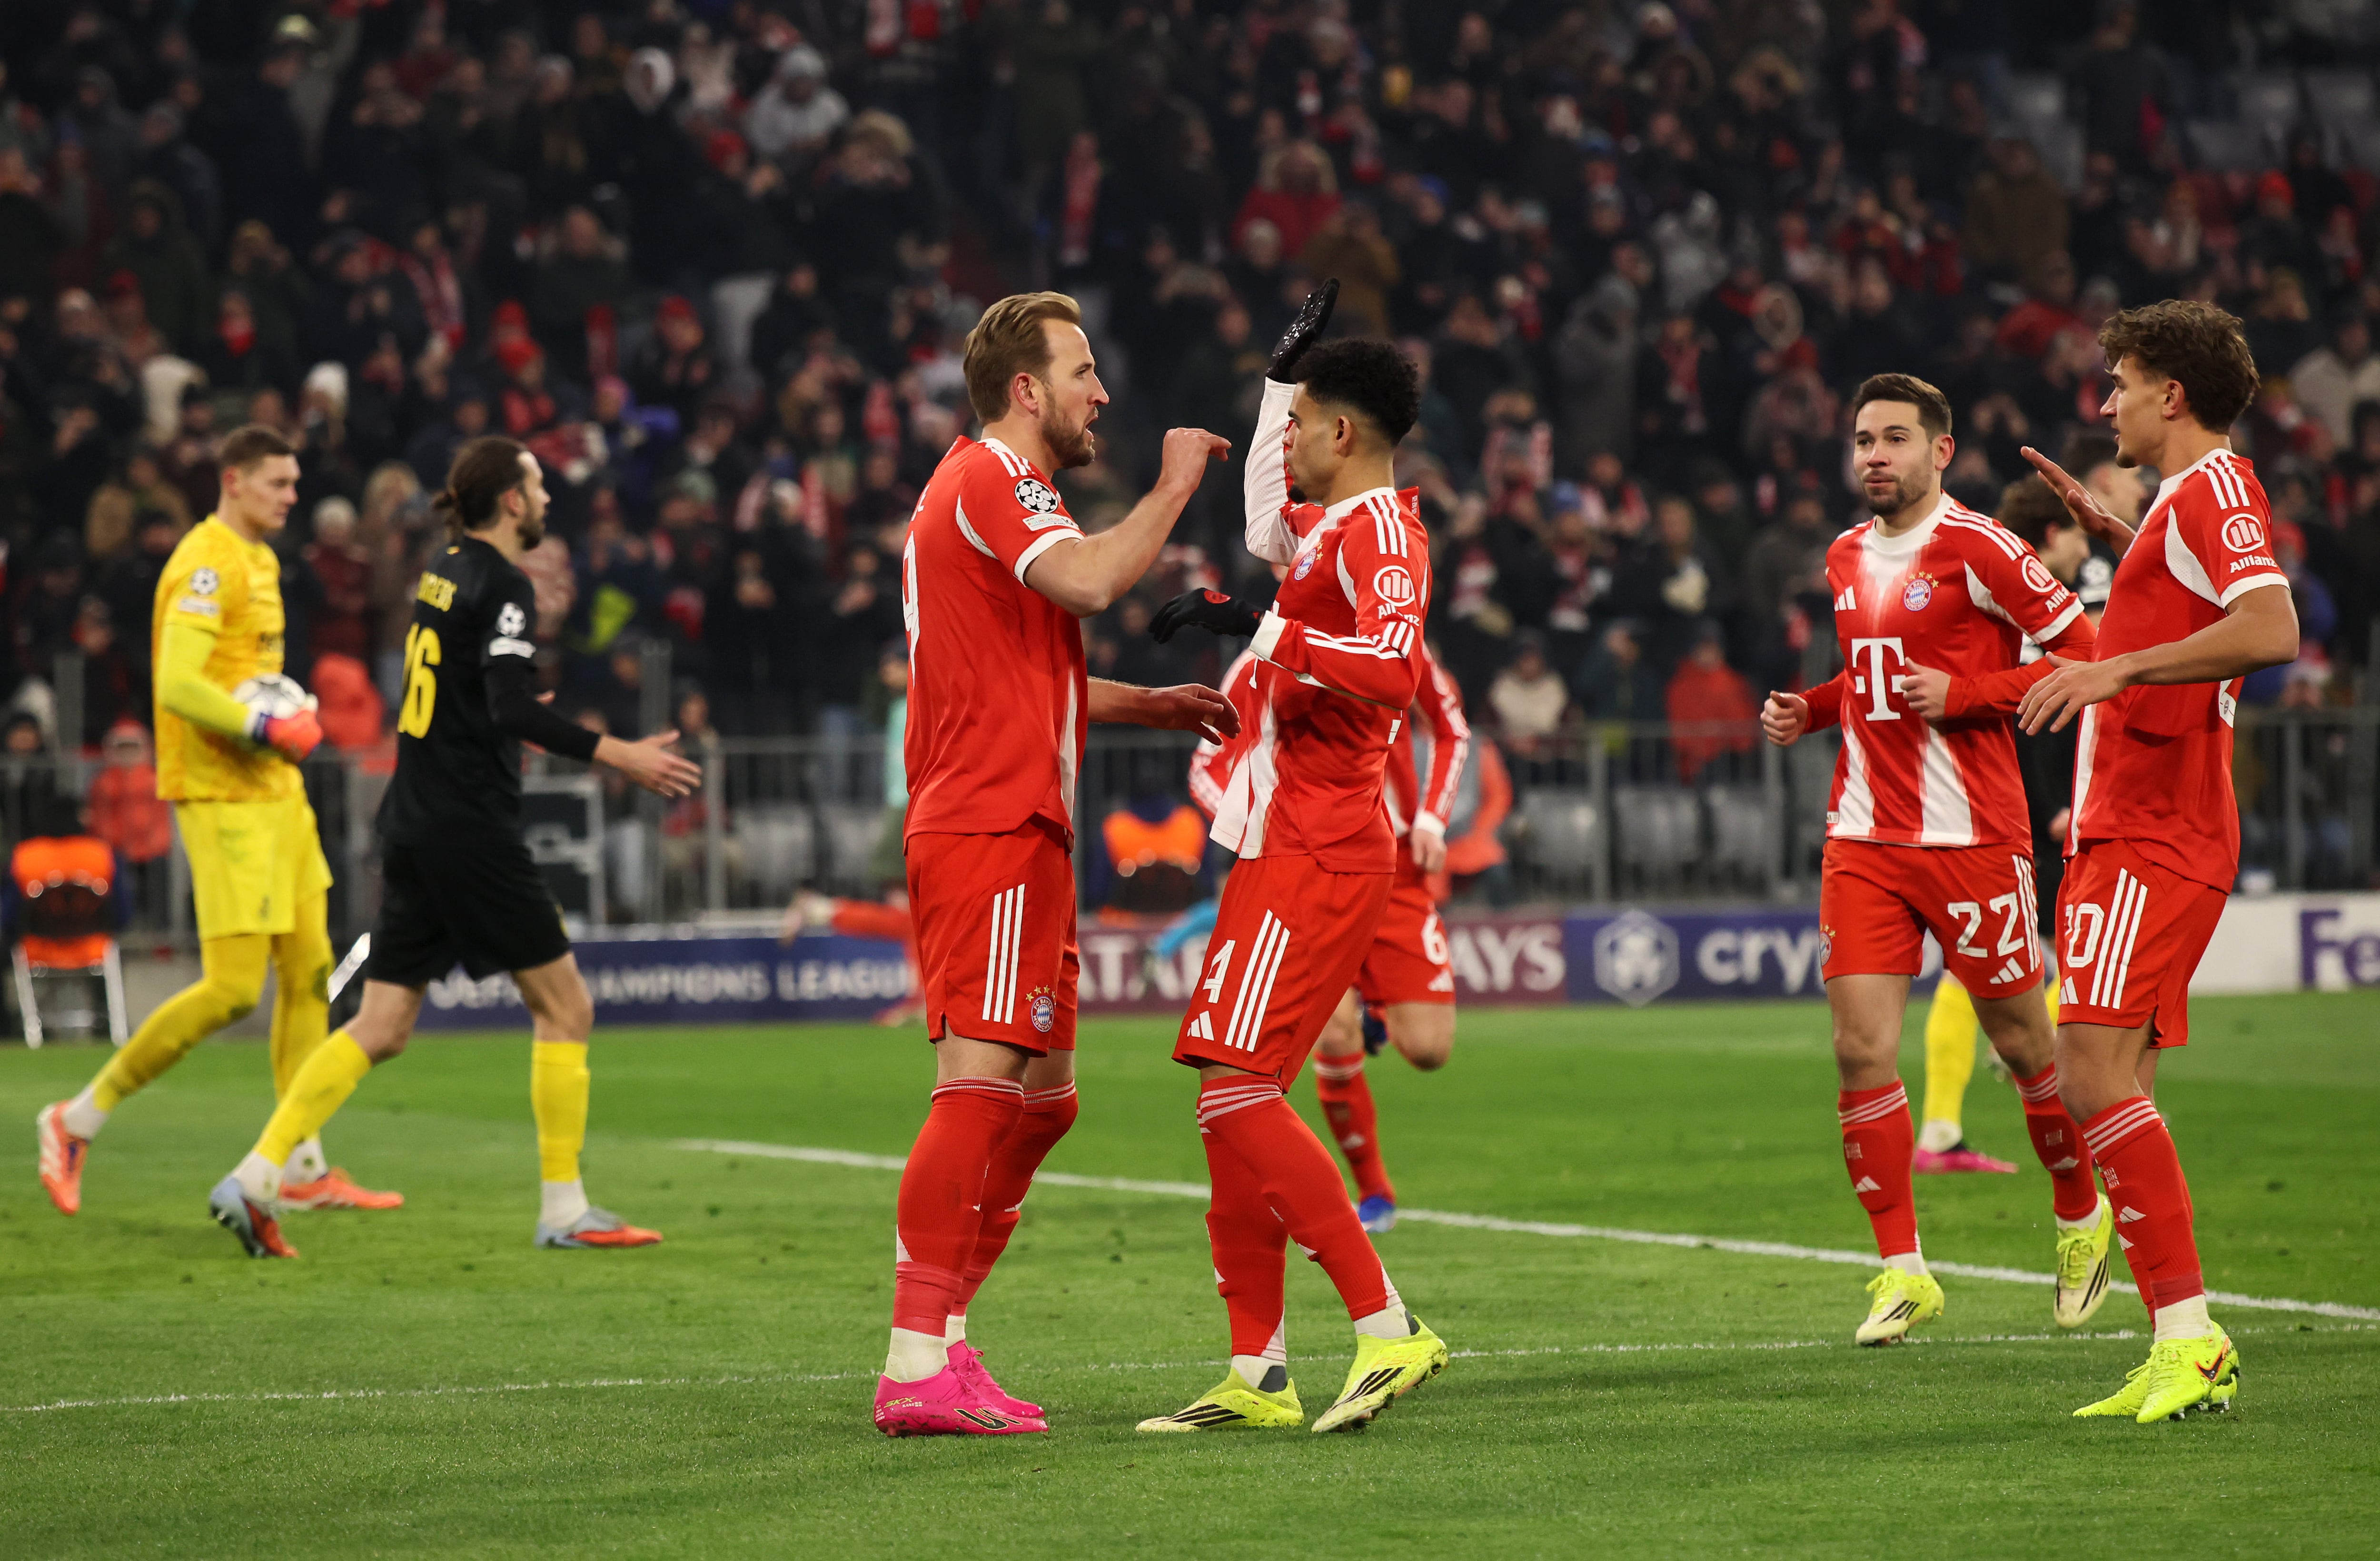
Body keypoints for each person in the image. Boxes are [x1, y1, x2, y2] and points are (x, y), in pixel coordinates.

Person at [874, 291, 1238, 1438]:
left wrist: (1149, 705)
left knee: (1043, 1100)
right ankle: (914, 1358)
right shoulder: (995, 473)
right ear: (1026, 389)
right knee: (980, 1085)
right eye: (1083, 372)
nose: (1102, 392)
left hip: (1024, 822)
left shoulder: (986, 490)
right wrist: (1173, 486)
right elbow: (1086, 581)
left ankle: (948, 1335)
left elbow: (1025, 671)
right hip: (985, 819)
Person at [200, 437, 704, 1259]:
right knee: (566, 1008)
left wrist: (506, 703)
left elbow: (469, 694)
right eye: (538, 485)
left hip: (414, 819)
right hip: (470, 829)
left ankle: (255, 1177)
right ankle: (565, 1208)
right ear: (512, 500)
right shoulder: (503, 583)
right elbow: (507, 706)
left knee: (383, 1023)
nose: (548, 499)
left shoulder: (444, 569)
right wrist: (618, 753)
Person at [1138, 287, 1451, 1436]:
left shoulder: (1384, 535)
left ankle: (1387, 1324)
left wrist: (1258, 627)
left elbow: (1395, 671)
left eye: (1303, 423)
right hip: (1283, 840)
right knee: (1227, 1105)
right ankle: (1257, 1371)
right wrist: (1278, 381)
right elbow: (1269, 517)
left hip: (1322, 846)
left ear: (1345, 433)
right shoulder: (1330, 529)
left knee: (1238, 1092)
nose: (1288, 442)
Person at [1759, 375, 2111, 1347]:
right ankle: (1903, 1272)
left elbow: (2086, 652)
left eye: (1895, 439)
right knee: (1858, 1050)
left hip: (1973, 839)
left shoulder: (1983, 548)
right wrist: (1811, 709)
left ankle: (2081, 1215)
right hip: (1863, 836)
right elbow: (1871, 680)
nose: (1874, 455)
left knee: (2028, 1049)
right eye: (1863, 440)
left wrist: (1968, 694)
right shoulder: (1842, 555)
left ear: (1940, 451)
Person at [2015, 301, 2299, 1422]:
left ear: (2169, 395)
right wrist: (2122, 534)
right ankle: (2177, 1338)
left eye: (2120, 383)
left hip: (2153, 827)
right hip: (2136, 824)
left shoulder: (2215, 489)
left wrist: (2119, 667)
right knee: (2113, 1079)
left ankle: (2191, 1335)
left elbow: (2270, 628)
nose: (2105, 405)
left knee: (2088, 1075)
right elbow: (2206, 597)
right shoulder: (2184, 503)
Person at [37, 427, 398, 1220]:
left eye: (295, 483)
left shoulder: (263, 560)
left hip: (276, 790)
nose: (292, 496)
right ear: (233, 480)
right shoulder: (206, 562)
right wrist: (266, 725)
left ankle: (300, 1164)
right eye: (277, 483)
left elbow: (243, 677)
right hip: (222, 794)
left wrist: (287, 711)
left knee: (312, 969)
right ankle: (75, 1119)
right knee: (234, 990)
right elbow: (176, 683)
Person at [1913, 474, 2115, 1173]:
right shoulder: (2035, 598)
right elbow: (2046, 707)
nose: (2086, 551)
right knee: (2080, 957)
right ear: (2054, 534)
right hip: (2018, 811)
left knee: (1973, 965)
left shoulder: (1989, 589)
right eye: (2080, 537)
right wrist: (2056, 802)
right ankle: (2077, 1086)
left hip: (1989, 806)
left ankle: (1942, 1129)